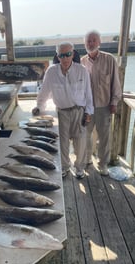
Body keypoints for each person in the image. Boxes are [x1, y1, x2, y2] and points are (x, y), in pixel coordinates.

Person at [32, 41, 93, 178]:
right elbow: (44, 94)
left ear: (73, 54)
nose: (65, 58)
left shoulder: (82, 70)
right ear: (57, 56)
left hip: (79, 112)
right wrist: (39, 108)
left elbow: (89, 94)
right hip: (61, 112)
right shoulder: (51, 72)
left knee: (80, 143)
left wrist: (89, 112)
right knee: (62, 144)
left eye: (68, 54)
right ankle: (65, 168)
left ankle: (79, 168)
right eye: (62, 55)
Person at [81, 30, 122, 176]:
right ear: (84, 44)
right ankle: (86, 160)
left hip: (104, 106)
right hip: (87, 107)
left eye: (93, 40)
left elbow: (115, 83)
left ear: (99, 42)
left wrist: (114, 101)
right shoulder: (82, 62)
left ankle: (103, 164)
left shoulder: (109, 59)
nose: (90, 43)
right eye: (88, 41)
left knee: (104, 138)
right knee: (85, 135)